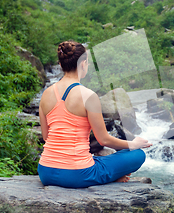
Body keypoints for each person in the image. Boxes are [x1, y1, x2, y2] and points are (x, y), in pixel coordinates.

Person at [37, 40, 151, 188]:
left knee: (96, 160)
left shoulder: (45, 94)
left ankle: (104, 172)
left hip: (45, 171)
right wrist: (133, 144)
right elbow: (103, 140)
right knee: (138, 155)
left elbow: (46, 137)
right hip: (76, 174)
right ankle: (111, 177)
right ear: (83, 64)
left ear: (60, 65)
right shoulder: (88, 96)